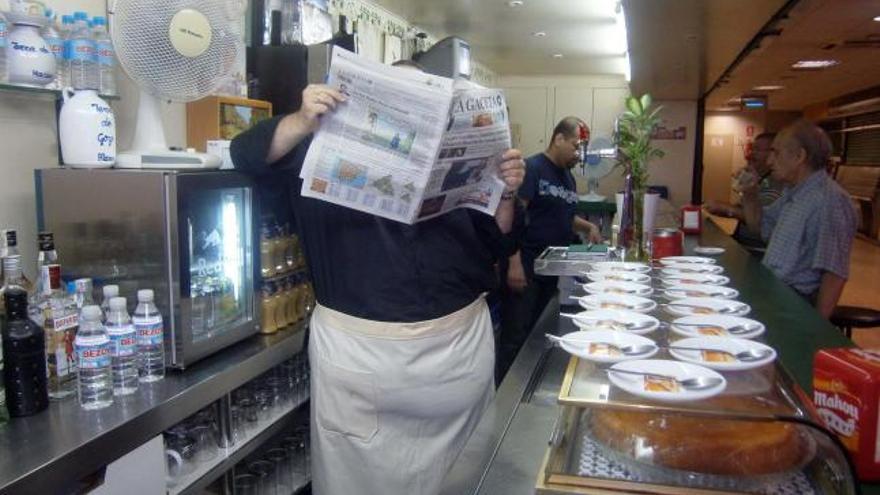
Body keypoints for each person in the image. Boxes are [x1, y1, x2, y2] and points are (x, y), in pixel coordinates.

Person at [231, 79, 526, 495]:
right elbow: (244, 154)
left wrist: (507, 192)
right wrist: (300, 121)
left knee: (462, 478)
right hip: (360, 359)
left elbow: (501, 240)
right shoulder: (314, 150)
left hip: (457, 354)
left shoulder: (453, 163)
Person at [496, 117, 601, 379]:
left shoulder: (568, 178)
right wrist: (515, 261)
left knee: (537, 331)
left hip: (550, 271)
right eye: (575, 146)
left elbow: (562, 214)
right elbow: (513, 217)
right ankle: (503, 392)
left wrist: (587, 227)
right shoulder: (533, 169)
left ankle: (524, 384)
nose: (578, 154)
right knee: (515, 335)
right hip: (526, 266)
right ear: (558, 139)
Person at [739, 120, 857, 319]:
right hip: (773, 293)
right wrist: (750, 195)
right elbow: (759, 226)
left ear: (800, 156)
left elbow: (834, 274)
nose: (769, 161)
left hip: (795, 303)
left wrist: (816, 330)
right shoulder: (794, 192)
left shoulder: (829, 200)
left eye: (775, 153)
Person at [705, 132, 784, 250]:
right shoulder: (759, 180)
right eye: (753, 149)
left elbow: (763, 221)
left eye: (758, 150)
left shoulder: (777, 184)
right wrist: (721, 209)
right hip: (744, 243)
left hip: (757, 249)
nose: (752, 154)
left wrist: (728, 209)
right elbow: (742, 210)